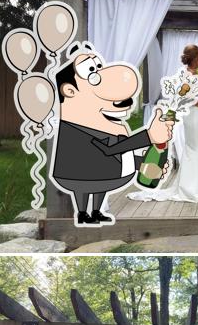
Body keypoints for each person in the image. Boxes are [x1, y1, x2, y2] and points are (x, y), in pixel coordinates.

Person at [52, 45, 173, 225]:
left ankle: (96, 211)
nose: (101, 73)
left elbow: (115, 154)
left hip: (99, 173)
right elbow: (109, 151)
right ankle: (83, 213)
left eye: (99, 67)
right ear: (70, 91)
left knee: (99, 184)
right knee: (87, 185)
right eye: (91, 73)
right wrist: (148, 137)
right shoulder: (77, 128)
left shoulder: (106, 126)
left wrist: (144, 165)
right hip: (79, 174)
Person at [133, 45, 198, 203]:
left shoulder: (191, 74)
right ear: (196, 59)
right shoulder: (187, 75)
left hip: (195, 114)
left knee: (197, 147)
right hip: (192, 115)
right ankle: (191, 187)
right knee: (194, 148)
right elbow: (187, 98)